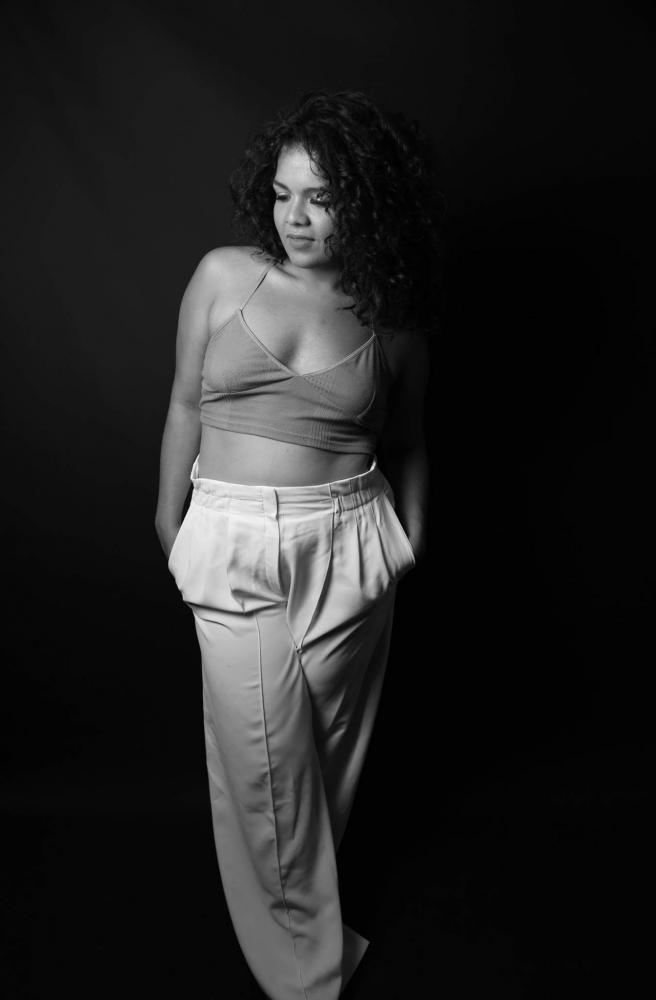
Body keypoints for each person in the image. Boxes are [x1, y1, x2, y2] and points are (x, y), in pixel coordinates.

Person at [154, 90, 445, 1000]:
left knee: (322, 753)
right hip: (232, 537)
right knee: (262, 761)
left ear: (366, 201)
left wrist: (409, 537)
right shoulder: (223, 276)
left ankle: (299, 930)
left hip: (349, 542)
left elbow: (409, 441)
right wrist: (167, 518)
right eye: (283, 195)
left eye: (322, 198)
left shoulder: (392, 320)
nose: (296, 218)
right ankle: (308, 978)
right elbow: (184, 404)